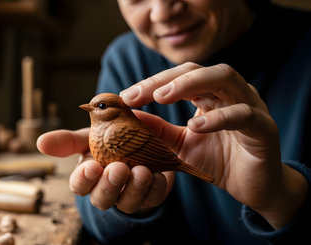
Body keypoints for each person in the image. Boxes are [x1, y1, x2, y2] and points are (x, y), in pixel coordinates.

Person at [37, 0, 311, 244]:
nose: (162, 13)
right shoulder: (125, 59)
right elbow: (99, 217)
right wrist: (127, 202)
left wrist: (280, 197)